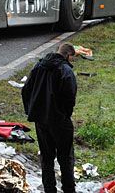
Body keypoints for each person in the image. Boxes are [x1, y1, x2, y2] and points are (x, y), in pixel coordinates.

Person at [21, 43, 78, 193]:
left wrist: (32, 111)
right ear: (69, 55)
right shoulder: (65, 70)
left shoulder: (38, 66)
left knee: (46, 157)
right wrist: (65, 114)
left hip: (41, 121)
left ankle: (49, 189)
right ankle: (68, 189)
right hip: (59, 120)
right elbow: (70, 95)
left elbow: (26, 90)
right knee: (65, 158)